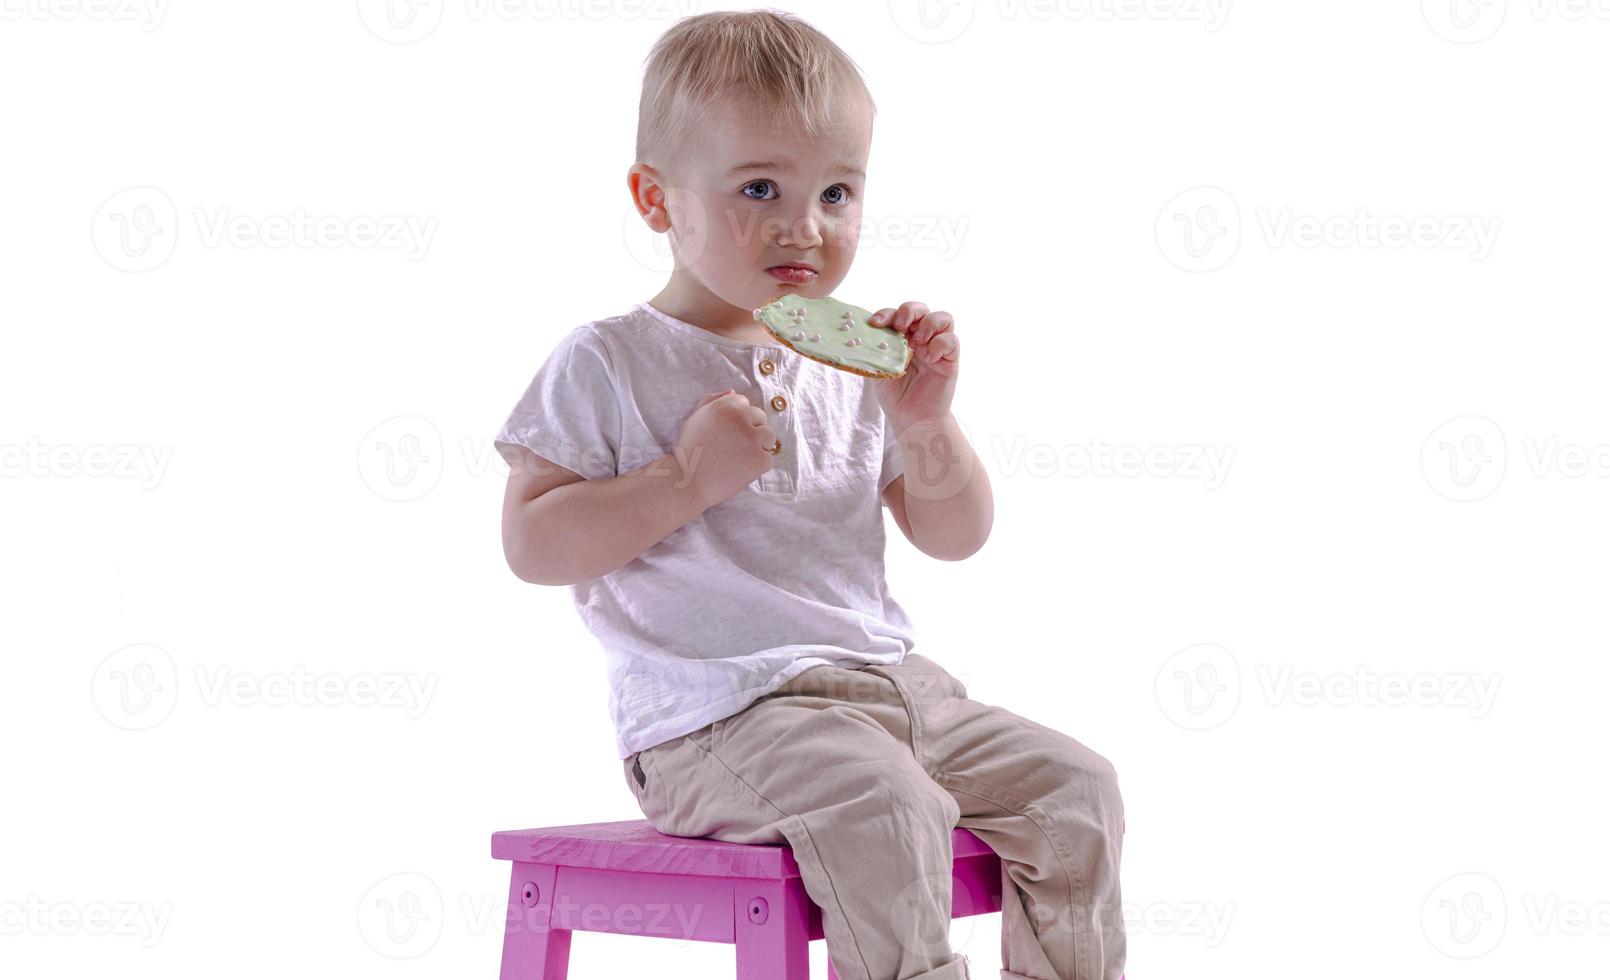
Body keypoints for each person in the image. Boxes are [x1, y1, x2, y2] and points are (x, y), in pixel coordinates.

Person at [493, 11, 1124, 979]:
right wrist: (681, 478)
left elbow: (956, 536)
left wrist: (923, 419)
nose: (806, 226)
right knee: (885, 805)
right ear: (655, 199)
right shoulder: (609, 359)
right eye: (759, 188)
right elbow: (535, 547)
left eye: (838, 191)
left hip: (891, 694)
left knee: (1074, 785)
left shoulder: (854, 359)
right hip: (715, 718)